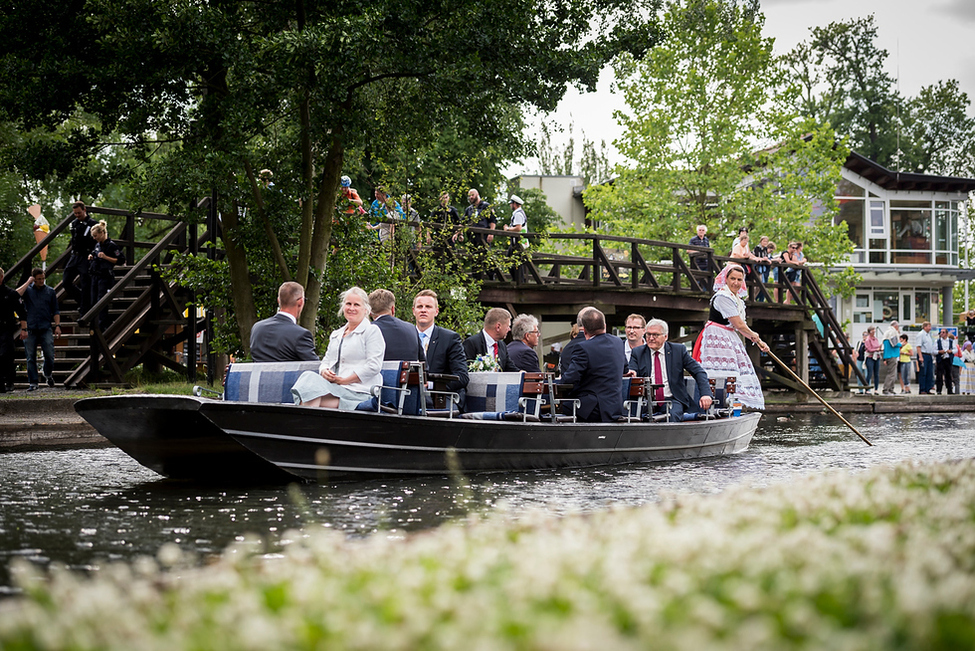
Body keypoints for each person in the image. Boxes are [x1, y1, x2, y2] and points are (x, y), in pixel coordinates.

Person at [291, 287, 385, 409]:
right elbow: (326, 361)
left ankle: (302, 427)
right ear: (343, 307)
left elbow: (374, 366)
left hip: (360, 392)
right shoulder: (336, 334)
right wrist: (324, 371)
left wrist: (345, 380)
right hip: (337, 389)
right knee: (309, 387)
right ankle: (308, 426)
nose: (351, 308)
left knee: (308, 392)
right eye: (348, 304)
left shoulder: (371, 331)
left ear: (366, 309)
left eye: (356, 305)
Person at [692, 263, 769, 410]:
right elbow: (738, 324)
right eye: (733, 278)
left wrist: (758, 342)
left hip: (729, 335)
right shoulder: (722, 297)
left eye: (739, 280)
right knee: (721, 372)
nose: (736, 282)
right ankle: (715, 406)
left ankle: (733, 408)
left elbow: (741, 325)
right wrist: (757, 338)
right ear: (726, 279)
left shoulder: (737, 298)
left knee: (736, 372)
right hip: (716, 336)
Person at [630, 319, 713, 421]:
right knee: (634, 418)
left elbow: (699, 372)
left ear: (665, 336)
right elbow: (631, 371)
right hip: (646, 401)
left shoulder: (678, 350)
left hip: (672, 399)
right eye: (648, 334)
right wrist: (632, 373)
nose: (651, 338)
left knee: (672, 416)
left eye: (655, 335)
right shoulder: (638, 353)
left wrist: (705, 394)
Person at [558, 307, 626, 422]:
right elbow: (625, 369)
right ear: (604, 325)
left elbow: (569, 380)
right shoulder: (618, 342)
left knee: (559, 407)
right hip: (614, 407)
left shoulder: (583, 348)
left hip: (592, 410)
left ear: (584, 330)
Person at [413, 289, 469, 408]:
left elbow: (462, 376)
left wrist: (432, 385)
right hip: (412, 394)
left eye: (428, 306)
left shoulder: (450, 338)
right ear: (414, 311)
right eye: (419, 306)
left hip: (442, 396)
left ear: (436, 311)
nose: (423, 310)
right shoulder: (406, 336)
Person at [249, 282, 318, 363]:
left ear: (279, 300)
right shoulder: (300, 335)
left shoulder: (257, 328)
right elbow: (315, 367)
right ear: (300, 302)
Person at [17, 268, 61, 391]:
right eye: (39, 279)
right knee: (30, 357)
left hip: (45, 326)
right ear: (34, 279)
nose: (41, 281)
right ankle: (33, 382)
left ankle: (47, 373)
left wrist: (57, 326)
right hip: (30, 327)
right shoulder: (28, 291)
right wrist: (28, 282)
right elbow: (16, 294)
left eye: (43, 278)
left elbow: (55, 310)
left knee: (49, 355)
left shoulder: (50, 291)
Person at [87, 220, 126, 330]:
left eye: (95, 236)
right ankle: (94, 323)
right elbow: (95, 254)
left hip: (105, 276)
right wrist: (91, 256)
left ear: (102, 233)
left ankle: (103, 324)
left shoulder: (112, 246)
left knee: (101, 300)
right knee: (93, 300)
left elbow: (121, 260)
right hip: (95, 275)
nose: (94, 238)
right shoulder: (97, 245)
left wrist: (106, 257)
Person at [369, 289, 424, 362]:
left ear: (369, 312)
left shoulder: (368, 330)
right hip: (409, 373)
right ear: (392, 309)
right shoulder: (411, 329)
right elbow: (424, 364)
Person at [63, 201, 98, 313]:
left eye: (79, 213)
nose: (77, 215)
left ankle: (85, 307)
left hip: (86, 256)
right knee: (66, 281)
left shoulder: (93, 224)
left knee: (85, 283)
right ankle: (82, 300)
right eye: (75, 213)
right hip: (75, 256)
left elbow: (97, 241)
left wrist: (93, 253)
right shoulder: (74, 223)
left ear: (84, 210)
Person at [463, 307, 518, 372]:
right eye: (508, 326)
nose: (509, 329)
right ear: (498, 327)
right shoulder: (472, 343)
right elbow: (466, 369)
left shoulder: (502, 345)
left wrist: (522, 373)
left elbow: (509, 367)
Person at [0, 267, 26, 392]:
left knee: (6, 355)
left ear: (1, 277)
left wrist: (24, 329)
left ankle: (9, 381)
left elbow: (21, 311)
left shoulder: (10, 294)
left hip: (6, 328)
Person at [880, 321, 901, 395]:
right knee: (891, 374)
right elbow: (894, 343)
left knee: (893, 373)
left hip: (888, 355)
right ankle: (886, 389)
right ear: (895, 326)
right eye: (898, 326)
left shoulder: (887, 332)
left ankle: (891, 389)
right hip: (892, 355)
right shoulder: (892, 332)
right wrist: (901, 344)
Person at [915, 321, 936, 394]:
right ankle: (922, 389)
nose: (930, 328)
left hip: (929, 355)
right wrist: (920, 357)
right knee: (923, 373)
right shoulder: (921, 334)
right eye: (929, 326)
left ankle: (928, 388)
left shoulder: (928, 335)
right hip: (923, 354)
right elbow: (918, 346)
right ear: (925, 327)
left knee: (929, 373)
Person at [934, 328, 956, 395]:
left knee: (948, 375)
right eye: (941, 332)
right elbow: (933, 351)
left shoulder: (951, 341)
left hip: (948, 359)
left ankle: (949, 390)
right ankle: (939, 390)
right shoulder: (937, 341)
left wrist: (951, 351)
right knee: (939, 375)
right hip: (940, 359)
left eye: (943, 332)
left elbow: (956, 349)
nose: (942, 334)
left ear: (946, 333)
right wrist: (939, 352)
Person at [28, 204, 49, 271]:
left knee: (43, 255)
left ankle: (43, 258)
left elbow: (41, 226)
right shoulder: (39, 219)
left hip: (43, 229)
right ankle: (43, 259)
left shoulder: (41, 219)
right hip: (41, 229)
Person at [863, 326, 881, 394]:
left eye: (874, 331)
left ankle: (876, 389)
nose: (874, 333)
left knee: (876, 374)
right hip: (870, 357)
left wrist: (879, 348)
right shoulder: (868, 340)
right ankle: (867, 389)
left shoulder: (876, 339)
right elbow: (869, 349)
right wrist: (876, 349)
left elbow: (877, 346)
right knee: (869, 373)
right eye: (872, 331)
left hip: (876, 356)